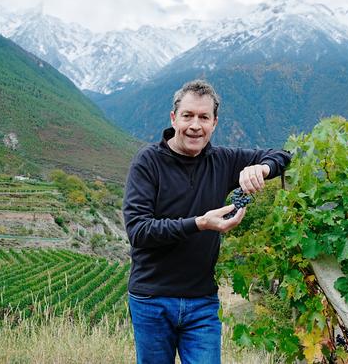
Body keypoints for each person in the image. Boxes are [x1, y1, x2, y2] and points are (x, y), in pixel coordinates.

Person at [123, 79, 292, 363]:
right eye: (188, 115)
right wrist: (199, 223)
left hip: (201, 301)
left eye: (204, 117)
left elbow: (283, 155)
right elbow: (139, 231)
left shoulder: (223, 160)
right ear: (174, 118)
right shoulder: (148, 161)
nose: (195, 125)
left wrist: (261, 168)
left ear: (214, 123)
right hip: (152, 300)